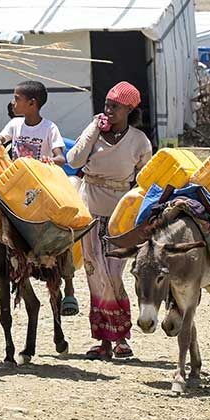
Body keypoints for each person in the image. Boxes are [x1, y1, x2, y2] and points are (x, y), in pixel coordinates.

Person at [66, 81, 152, 360]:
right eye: (106, 105)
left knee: (113, 275)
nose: (108, 110)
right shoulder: (94, 134)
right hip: (90, 210)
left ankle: (122, 337)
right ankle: (103, 340)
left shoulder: (139, 140)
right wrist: (93, 129)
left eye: (115, 106)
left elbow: (145, 180)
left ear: (129, 109)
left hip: (120, 216)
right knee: (95, 275)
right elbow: (74, 160)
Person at [0, 81, 76, 312]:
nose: (13, 103)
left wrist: (47, 161)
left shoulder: (49, 129)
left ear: (32, 104)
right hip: (15, 191)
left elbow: (61, 159)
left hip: (40, 192)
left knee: (62, 233)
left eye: (16, 99)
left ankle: (70, 290)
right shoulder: (14, 125)